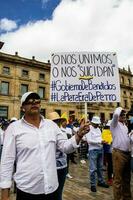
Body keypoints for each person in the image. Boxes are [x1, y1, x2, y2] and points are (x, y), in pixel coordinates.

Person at [0, 91, 90, 200]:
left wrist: (79, 135)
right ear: (22, 107)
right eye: (29, 101)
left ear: (40, 105)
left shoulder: (51, 125)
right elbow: (7, 162)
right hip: (27, 190)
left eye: (37, 101)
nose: (34, 103)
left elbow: (65, 147)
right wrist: (5, 194)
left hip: (52, 188)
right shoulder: (14, 128)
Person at [110, 107, 131, 200]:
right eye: (121, 114)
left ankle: (127, 197)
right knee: (117, 179)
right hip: (118, 153)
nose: (123, 116)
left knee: (127, 179)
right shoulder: (114, 124)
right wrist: (120, 108)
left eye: (124, 114)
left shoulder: (125, 126)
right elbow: (115, 115)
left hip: (127, 153)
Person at [84, 116, 109, 192]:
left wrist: (103, 140)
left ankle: (100, 181)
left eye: (98, 124)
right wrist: (99, 142)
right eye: (96, 124)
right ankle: (93, 184)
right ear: (93, 123)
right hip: (93, 150)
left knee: (100, 167)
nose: (98, 125)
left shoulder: (98, 129)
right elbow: (89, 140)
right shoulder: (88, 129)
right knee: (93, 169)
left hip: (100, 149)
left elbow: (100, 137)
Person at [48, 111, 67, 200]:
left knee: (58, 193)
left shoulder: (63, 132)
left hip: (62, 166)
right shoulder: (46, 134)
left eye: (57, 121)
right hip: (50, 167)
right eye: (54, 121)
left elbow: (67, 147)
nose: (56, 123)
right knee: (49, 193)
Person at [102, 120, 113, 185]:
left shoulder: (113, 131)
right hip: (109, 150)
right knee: (110, 164)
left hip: (113, 149)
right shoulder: (105, 131)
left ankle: (111, 177)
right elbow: (104, 140)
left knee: (111, 164)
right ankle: (110, 178)